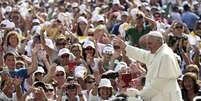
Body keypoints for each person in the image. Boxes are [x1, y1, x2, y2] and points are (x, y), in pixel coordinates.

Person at [113, 31, 183, 101]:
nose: (148, 46)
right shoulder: (158, 52)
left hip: (167, 97)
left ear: (159, 42)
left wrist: (140, 95)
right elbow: (143, 55)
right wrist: (126, 47)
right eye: (147, 43)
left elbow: (159, 83)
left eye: (150, 43)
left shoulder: (165, 55)